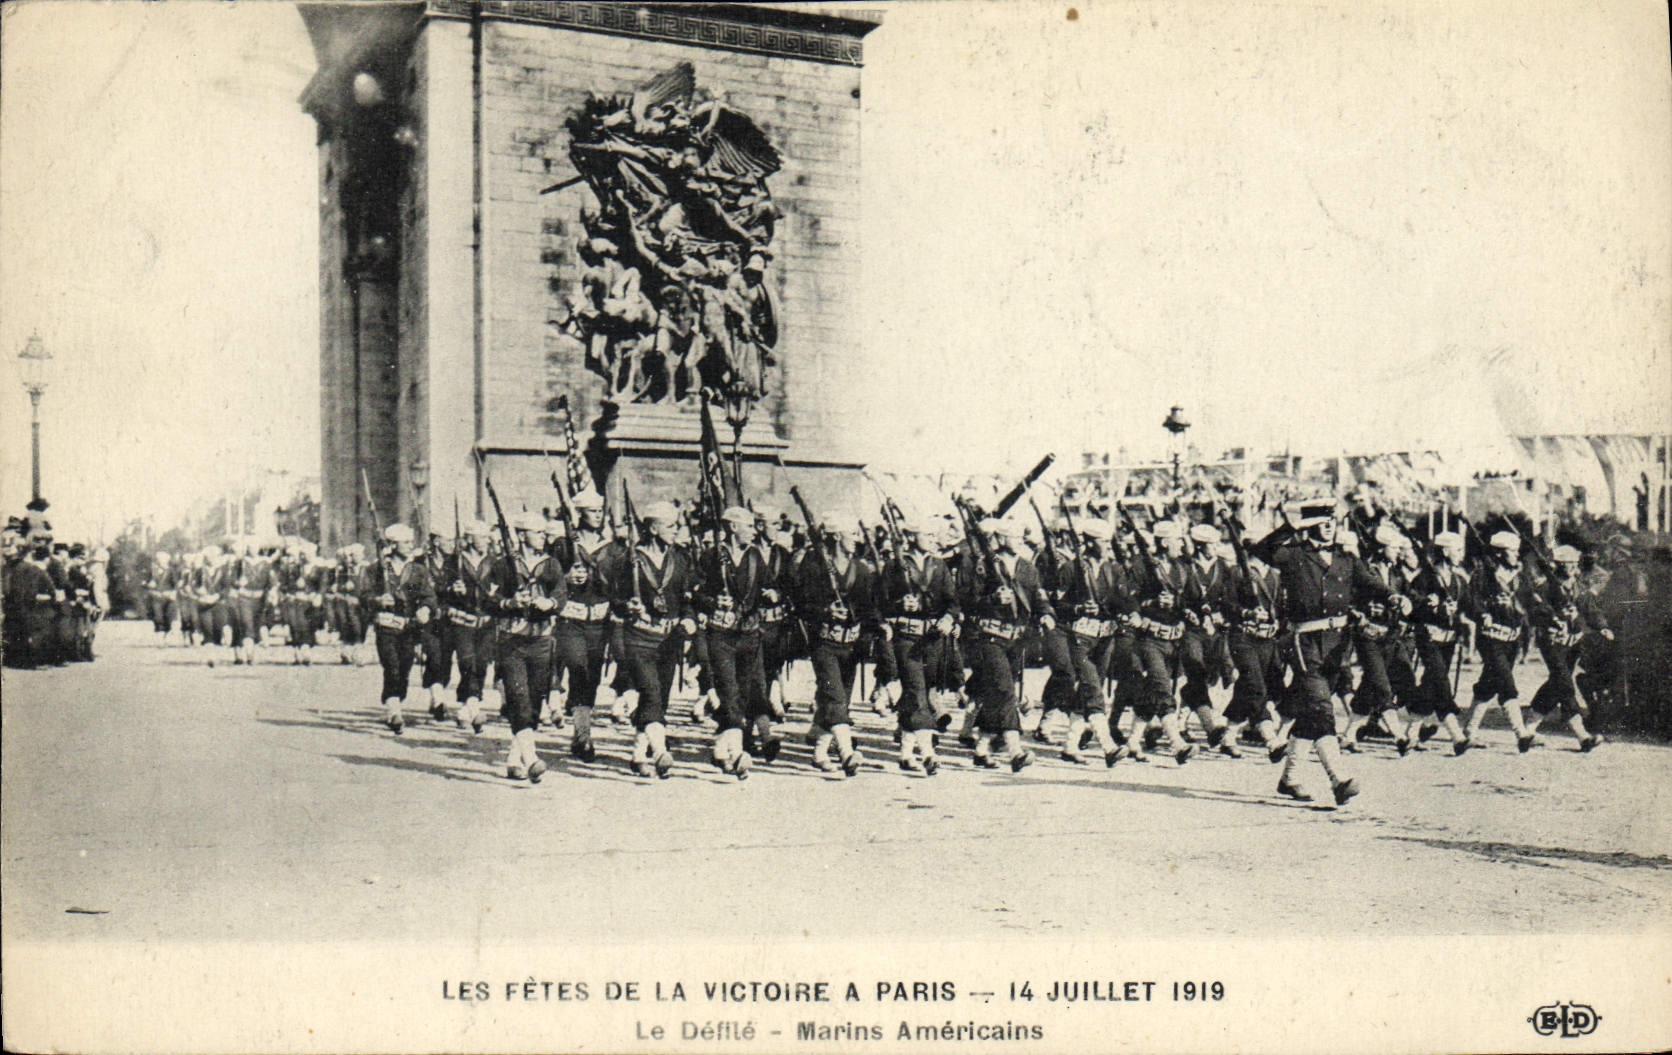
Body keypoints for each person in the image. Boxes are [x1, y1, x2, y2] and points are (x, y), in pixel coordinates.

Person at [1250, 501, 1385, 806]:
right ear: (1309, 525)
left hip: (1336, 645)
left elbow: (1370, 583)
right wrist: (1291, 527)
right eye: (1322, 521)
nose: (1328, 526)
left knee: (1310, 713)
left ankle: (1290, 779)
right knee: (1322, 707)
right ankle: (1339, 779)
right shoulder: (1294, 555)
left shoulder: (1345, 557)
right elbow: (1262, 550)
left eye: (1331, 521)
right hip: (1304, 641)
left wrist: (1394, 597)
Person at [604, 501, 700, 779]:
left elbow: (687, 598)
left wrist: (689, 618)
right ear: (653, 528)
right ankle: (659, 752)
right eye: (671, 525)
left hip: (670, 640)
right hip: (639, 638)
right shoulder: (630, 560)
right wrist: (627, 606)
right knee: (651, 692)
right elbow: (615, 599)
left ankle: (638, 755)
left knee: (658, 699)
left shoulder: (680, 559)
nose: (676, 530)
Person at [482, 512, 565, 781]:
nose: (543, 537)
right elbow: (487, 599)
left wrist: (550, 603)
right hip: (512, 642)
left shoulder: (551, 564)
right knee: (518, 698)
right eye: (537, 532)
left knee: (534, 701)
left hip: (541, 640)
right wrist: (509, 603)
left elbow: (561, 594)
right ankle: (531, 759)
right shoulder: (502, 565)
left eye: (543, 533)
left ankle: (513, 759)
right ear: (521, 535)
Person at [877, 516, 960, 774]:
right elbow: (879, 603)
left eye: (935, 535)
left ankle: (905, 753)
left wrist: (948, 618)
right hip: (906, 638)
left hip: (933, 639)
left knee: (918, 693)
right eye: (928, 535)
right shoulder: (894, 566)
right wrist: (899, 605)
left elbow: (953, 601)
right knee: (916, 692)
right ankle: (927, 753)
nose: (934, 539)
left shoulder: (939, 565)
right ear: (913, 537)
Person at [692, 505, 771, 770]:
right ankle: (737, 754)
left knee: (742, 694)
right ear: (733, 527)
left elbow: (768, 585)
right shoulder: (712, 556)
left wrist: (772, 595)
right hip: (721, 634)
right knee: (728, 690)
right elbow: (695, 593)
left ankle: (720, 749)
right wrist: (713, 601)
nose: (754, 531)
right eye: (749, 526)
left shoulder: (755, 556)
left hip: (749, 634)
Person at [959, 517, 1040, 772]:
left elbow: (1038, 597)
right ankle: (1015, 751)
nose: (1019, 541)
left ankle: (982, 749)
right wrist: (993, 599)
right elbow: (968, 601)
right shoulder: (983, 566)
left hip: (1015, 640)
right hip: (989, 638)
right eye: (1014, 536)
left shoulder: (1028, 568)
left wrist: (1047, 614)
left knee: (996, 694)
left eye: (1021, 537)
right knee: (1005, 690)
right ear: (1002, 538)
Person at [797, 515, 875, 775]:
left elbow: (868, 607)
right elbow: (802, 603)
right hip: (824, 643)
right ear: (837, 536)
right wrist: (825, 610)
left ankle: (820, 754)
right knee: (835, 697)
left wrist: (875, 625)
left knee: (835, 701)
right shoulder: (814, 565)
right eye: (851, 534)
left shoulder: (860, 569)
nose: (857, 539)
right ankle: (846, 753)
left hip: (850, 645)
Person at [1523, 544, 1607, 751]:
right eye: (1566, 564)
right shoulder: (1546, 587)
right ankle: (1582, 735)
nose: (1571, 567)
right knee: (1565, 685)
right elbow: (1537, 611)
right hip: (1552, 641)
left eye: (1574, 563)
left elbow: (1590, 608)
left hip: (1573, 643)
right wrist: (1555, 616)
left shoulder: (1578, 586)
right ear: (1557, 565)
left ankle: (1528, 728)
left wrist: (1602, 626)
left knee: (1555, 685)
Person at [1459, 531, 1536, 753]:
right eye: (1512, 551)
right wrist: (1483, 613)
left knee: (1489, 684)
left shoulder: (1521, 576)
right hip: (1491, 638)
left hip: (1512, 639)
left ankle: (1469, 731)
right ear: (1500, 554)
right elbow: (1471, 601)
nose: (1516, 555)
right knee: (1506, 682)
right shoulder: (1483, 575)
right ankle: (1521, 733)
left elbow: (1530, 603)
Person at [1125, 519, 1196, 765]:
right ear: (1164, 542)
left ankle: (1133, 741)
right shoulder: (1141, 566)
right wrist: (1151, 605)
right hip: (1149, 639)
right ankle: (1177, 743)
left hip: (1173, 639)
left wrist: (1180, 605)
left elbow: (1192, 598)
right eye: (1177, 540)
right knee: (1163, 688)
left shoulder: (1182, 568)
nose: (1181, 544)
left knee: (1152, 693)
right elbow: (1128, 597)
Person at [551, 492, 614, 760]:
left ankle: (582, 734)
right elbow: (548, 576)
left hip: (599, 621)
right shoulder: (563, 545)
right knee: (577, 666)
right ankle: (582, 732)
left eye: (600, 510)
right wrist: (565, 577)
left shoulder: (612, 547)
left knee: (592, 676)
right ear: (579, 513)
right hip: (571, 619)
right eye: (592, 511)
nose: (598, 515)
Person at [360, 523, 437, 735]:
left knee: (404, 668)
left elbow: (429, 596)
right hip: (386, 626)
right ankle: (394, 711)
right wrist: (377, 600)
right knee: (391, 666)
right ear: (393, 545)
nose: (410, 545)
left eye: (411, 541)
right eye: (406, 542)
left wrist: (425, 608)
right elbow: (363, 596)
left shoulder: (418, 570)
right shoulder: (376, 569)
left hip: (409, 627)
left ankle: (396, 700)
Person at [440, 519, 496, 734]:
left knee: (481, 665)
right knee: (466, 662)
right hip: (462, 621)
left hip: (486, 621)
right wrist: (452, 589)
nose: (486, 541)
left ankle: (465, 708)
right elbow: (439, 589)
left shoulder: (493, 562)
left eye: (488, 537)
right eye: (482, 537)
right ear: (470, 538)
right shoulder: (454, 561)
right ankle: (474, 707)